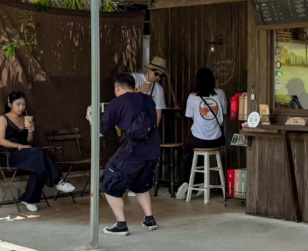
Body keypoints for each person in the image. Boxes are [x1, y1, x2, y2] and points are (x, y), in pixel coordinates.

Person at [86, 73, 161, 236]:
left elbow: (99, 132)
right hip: (152, 152)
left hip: (132, 152)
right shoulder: (148, 100)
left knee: (108, 182)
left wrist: (90, 115)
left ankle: (121, 225)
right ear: (134, 87)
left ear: (117, 87)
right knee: (141, 185)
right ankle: (149, 220)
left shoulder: (117, 103)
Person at [0, 91, 75, 212]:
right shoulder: (3, 119)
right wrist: (19, 146)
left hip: (27, 155)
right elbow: (1, 141)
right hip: (10, 156)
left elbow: (29, 141)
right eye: (18, 104)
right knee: (40, 154)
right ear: (10, 104)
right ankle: (58, 181)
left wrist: (31, 131)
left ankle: (28, 198)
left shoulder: (24, 118)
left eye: (23, 104)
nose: (21, 107)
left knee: (40, 162)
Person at [175, 67, 227, 199]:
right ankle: (200, 183)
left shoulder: (192, 97)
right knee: (200, 153)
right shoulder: (220, 93)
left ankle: (185, 182)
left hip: (198, 139)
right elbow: (224, 112)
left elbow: (191, 116)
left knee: (188, 153)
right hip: (216, 139)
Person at [132, 57, 168, 126]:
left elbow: (158, 110)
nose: (158, 77)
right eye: (156, 74)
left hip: (145, 125)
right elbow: (122, 97)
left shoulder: (159, 89)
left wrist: (154, 129)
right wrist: (138, 90)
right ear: (149, 69)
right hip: (130, 121)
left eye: (161, 76)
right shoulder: (133, 78)